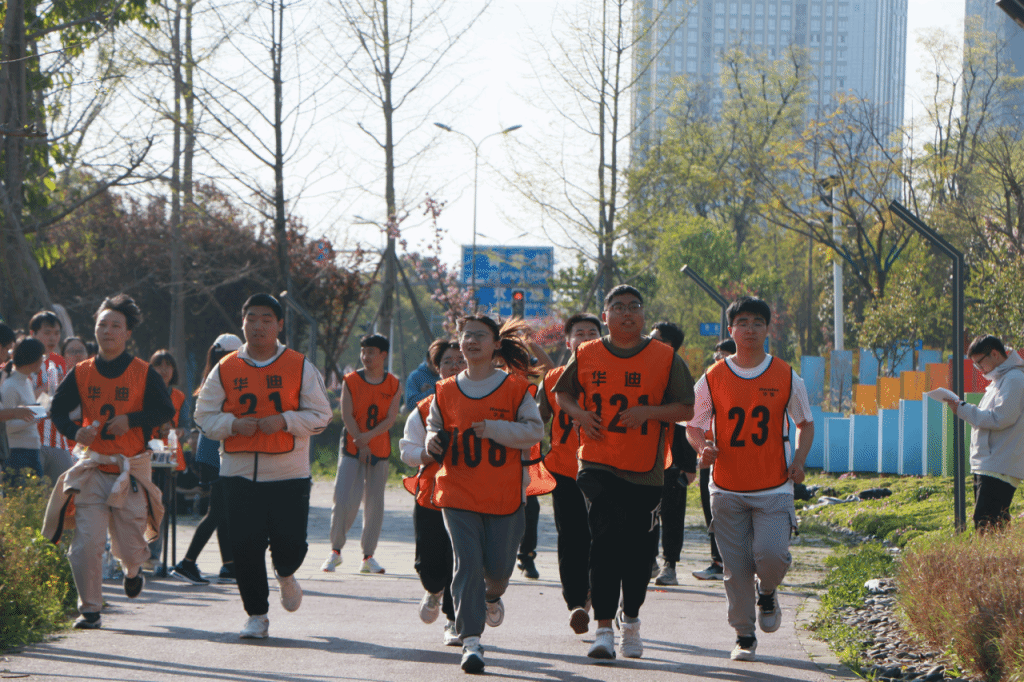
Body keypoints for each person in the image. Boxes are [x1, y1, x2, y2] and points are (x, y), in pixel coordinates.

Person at [554, 285, 694, 660]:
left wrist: (649, 412)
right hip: (597, 463)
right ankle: (603, 631)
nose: (627, 313)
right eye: (618, 307)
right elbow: (562, 394)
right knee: (604, 544)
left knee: (638, 553)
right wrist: (580, 414)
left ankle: (630, 621)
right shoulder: (587, 352)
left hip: (646, 469)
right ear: (606, 317)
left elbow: (686, 408)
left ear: (644, 315)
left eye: (634, 306)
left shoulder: (664, 357)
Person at [194, 294, 332, 639]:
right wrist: (231, 424)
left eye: (266, 320)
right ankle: (256, 615)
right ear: (242, 323)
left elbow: (321, 415)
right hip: (237, 474)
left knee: (290, 548)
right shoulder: (225, 368)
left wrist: (285, 420)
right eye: (251, 319)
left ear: (279, 325)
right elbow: (203, 416)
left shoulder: (299, 365)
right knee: (245, 548)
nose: (258, 326)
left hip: (289, 474)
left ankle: (285, 575)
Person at [686, 296, 814, 662]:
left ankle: (768, 591)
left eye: (758, 322)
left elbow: (805, 423)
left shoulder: (786, 375)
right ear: (731, 330)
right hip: (726, 488)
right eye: (742, 322)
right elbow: (693, 425)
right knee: (736, 568)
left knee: (771, 555)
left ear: (768, 329)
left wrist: (799, 460)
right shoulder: (713, 377)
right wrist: (702, 448)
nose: (750, 329)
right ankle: (744, 634)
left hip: (774, 485)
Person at [45, 294, 175, 630]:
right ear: (95, 329)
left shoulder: (143, 372)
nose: (108, 331)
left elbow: (165, 410)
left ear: (128, 333)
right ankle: (90, 609)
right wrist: (76, 431)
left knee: (130, 548)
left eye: (116, 325)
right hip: (93, 466)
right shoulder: (82, 372)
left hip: (131, 467)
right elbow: (57, 410)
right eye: (103, 324)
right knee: (86, 544)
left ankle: (133, 571)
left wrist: (132, 420)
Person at [425, 315, 544, 674]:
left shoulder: (515, 388)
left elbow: (534, 431)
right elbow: (433, 427)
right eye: (466, 336)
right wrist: (432, 442)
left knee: (498, 570)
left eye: (480, 335)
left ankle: (492, 596)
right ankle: (471, 641)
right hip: (457, 491)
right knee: (466, 564)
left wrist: (494, 428)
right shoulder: (445, 389)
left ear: (495, 344)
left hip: (504, 494)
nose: (472, 341)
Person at [537, 312, 601, 634]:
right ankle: (576, 601)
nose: (586, 338)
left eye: (592, 332)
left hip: (605, 469)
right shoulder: (551, 379)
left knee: (602, 537)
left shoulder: (614, 377)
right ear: (568, 341)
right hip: (564, 470)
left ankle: (598, 593)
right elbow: (536, 421)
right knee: (572, 536)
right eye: (580, 333)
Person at [399, 338, 466, 645]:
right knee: (428, 562)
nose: (455, 366)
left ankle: (454, 620)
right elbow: (407, 451)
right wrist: (426, 454)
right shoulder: (424, 409)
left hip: (469, 496)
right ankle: (433, 588)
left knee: (460, 559)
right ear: (437, 369)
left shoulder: (485, 403)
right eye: (448, 361)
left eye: (460, 360)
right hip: (430, 494)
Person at [321, 333, 402, 575]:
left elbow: (391, 419)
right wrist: (361, 440)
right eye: (363, 351)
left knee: (375, 505)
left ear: (383, 355)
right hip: (352, 447)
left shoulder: (393, 384)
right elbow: (346, 414)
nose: (366, 356)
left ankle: (368, 557)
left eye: (371, 352)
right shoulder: (351, 380)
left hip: (379, 449)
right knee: (344, 499)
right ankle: (335, 551)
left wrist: (370, 437)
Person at [171, 334, 243, 585]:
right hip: (217, 452)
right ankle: (187, 563)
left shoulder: (212, 376)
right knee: (217, 512)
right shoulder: (224, 379)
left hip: (210, 451)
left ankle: (229, 566)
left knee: (221, 512)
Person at [944, 335, 1024, 531]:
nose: (978, 369)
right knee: (993, 522)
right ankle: (998, 552)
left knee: (986, 522)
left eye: (979, 363)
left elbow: (1000, 418)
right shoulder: (1001, 379)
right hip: (991, 463)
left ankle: (992, 552)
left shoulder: (1014, 379)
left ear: (995, 354)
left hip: (1000, 463)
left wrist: (963, 409)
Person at [648, 321, 698, 587]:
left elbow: (689, 421)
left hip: (673, 459)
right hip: (645, 456)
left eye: (656, 339)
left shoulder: (679, 374)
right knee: (646, 512)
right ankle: (648, 560)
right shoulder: (642, 368)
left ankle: (670, 564)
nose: (649, 342)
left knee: (672, 514)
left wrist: (688, 466)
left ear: (669, 345)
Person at [692, 336, 735, 582]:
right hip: (710, 455)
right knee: (711, 512)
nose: (718, 360)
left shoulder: (747, 383)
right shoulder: (708, 382)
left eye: (724, 355)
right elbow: (692, 422)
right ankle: (717, 562)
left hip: (740, 458)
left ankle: (743, 564)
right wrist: (701, 448)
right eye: (716, 356)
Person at [29, 311, 75, 483]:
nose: (52, 338)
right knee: (32, 493)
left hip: (58, 441)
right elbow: (22, 400)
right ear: (33, 334)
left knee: (66, 492)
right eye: (47, 333)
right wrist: (48, 386)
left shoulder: (60, 361)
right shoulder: (23, 361)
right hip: (32, 441)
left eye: (56, 333)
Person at [1, 338, 46, 484]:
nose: (43, 361)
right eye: (41, 357)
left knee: (39, 495)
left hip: (32, 449)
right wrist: (37, 416)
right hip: (16, 453)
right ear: (33, 361)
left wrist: (39, 411)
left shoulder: (26, 381)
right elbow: (7, 427)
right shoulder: (10, 386)